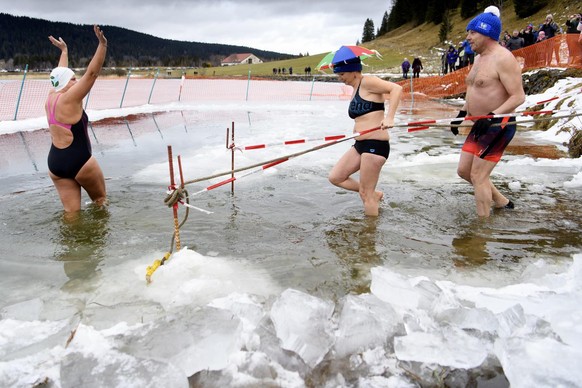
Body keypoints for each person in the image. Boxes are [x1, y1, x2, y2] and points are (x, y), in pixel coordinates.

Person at [449, 6, 525, 218]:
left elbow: (518, 96)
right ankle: (501, 201)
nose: (468, 37)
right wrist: (462, 113)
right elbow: (473, 88)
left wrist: (493, 115)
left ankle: (482, 229)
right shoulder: (479, 57)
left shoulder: (504, 58)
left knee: (478, 175)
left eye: (472, 32)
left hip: (498, 124)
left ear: (486, 33)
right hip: (479, 122)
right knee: (464, 171)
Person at [328, 55, 402, 216]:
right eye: (338, 75)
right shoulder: (355, 88)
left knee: (365, 195)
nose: (341, 79)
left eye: (342, 75)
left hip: (375, 144)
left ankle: (369, 237)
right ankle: (373, 194)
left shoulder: (368, 82)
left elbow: (396, 89)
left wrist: (390, 117)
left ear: (354, 71)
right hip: (359, 145)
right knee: (336, 177)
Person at [46, 25, 108, 213]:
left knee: (71, 215)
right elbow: (91, 74)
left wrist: (64, 51)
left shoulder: (51, 97)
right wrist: (102, 45)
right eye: (73, 79)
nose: (76, 81)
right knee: (101, 202)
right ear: (66, 83)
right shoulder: (70, 98)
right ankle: (100, 241)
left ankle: (71, 243)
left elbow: (60, 74)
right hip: (80, 161)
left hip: (55, 165)